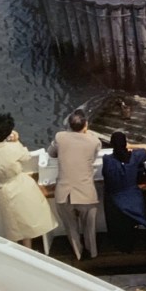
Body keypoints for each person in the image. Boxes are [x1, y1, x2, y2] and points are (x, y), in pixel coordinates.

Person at [0, 113, 58, 247]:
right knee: (28, 221)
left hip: (3, 188)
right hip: (19, 185)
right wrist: (16, 140)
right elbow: (26, 156)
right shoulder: (12, 148)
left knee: (14, 226)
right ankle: (29, 249)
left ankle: (20, 252)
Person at [48, 108, 102, 260]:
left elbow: (51, 153)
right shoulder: (94, 141)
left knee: (71, 228)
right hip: (86, 193)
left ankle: (78, 254)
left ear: (69, 126)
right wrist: (87, 133)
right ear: (86, 126)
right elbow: (95, 152)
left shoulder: (60, 137)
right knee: (89, 228)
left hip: (64, 193)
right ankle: (92, 252)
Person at [101, 132, 146, 252]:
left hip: (116, 201)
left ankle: (122, 246)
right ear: (125, 144)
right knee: (131, 224)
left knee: (120, 226)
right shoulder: (135, 157)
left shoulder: (107, 160)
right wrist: (131, 146)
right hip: (134, 199)